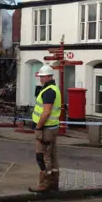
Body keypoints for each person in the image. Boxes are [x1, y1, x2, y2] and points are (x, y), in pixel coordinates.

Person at [29, 64, 61, 193]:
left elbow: (46, 112)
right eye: (40, 76)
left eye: (42, 77)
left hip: (45, 129)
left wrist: (38, 126)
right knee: (52, 156)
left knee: (42, 156)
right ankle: (54, 183)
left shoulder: (49, 91)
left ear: (49, 76)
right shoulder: (53, 89)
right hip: (52, 128)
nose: (40, 79)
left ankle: (44, 183)